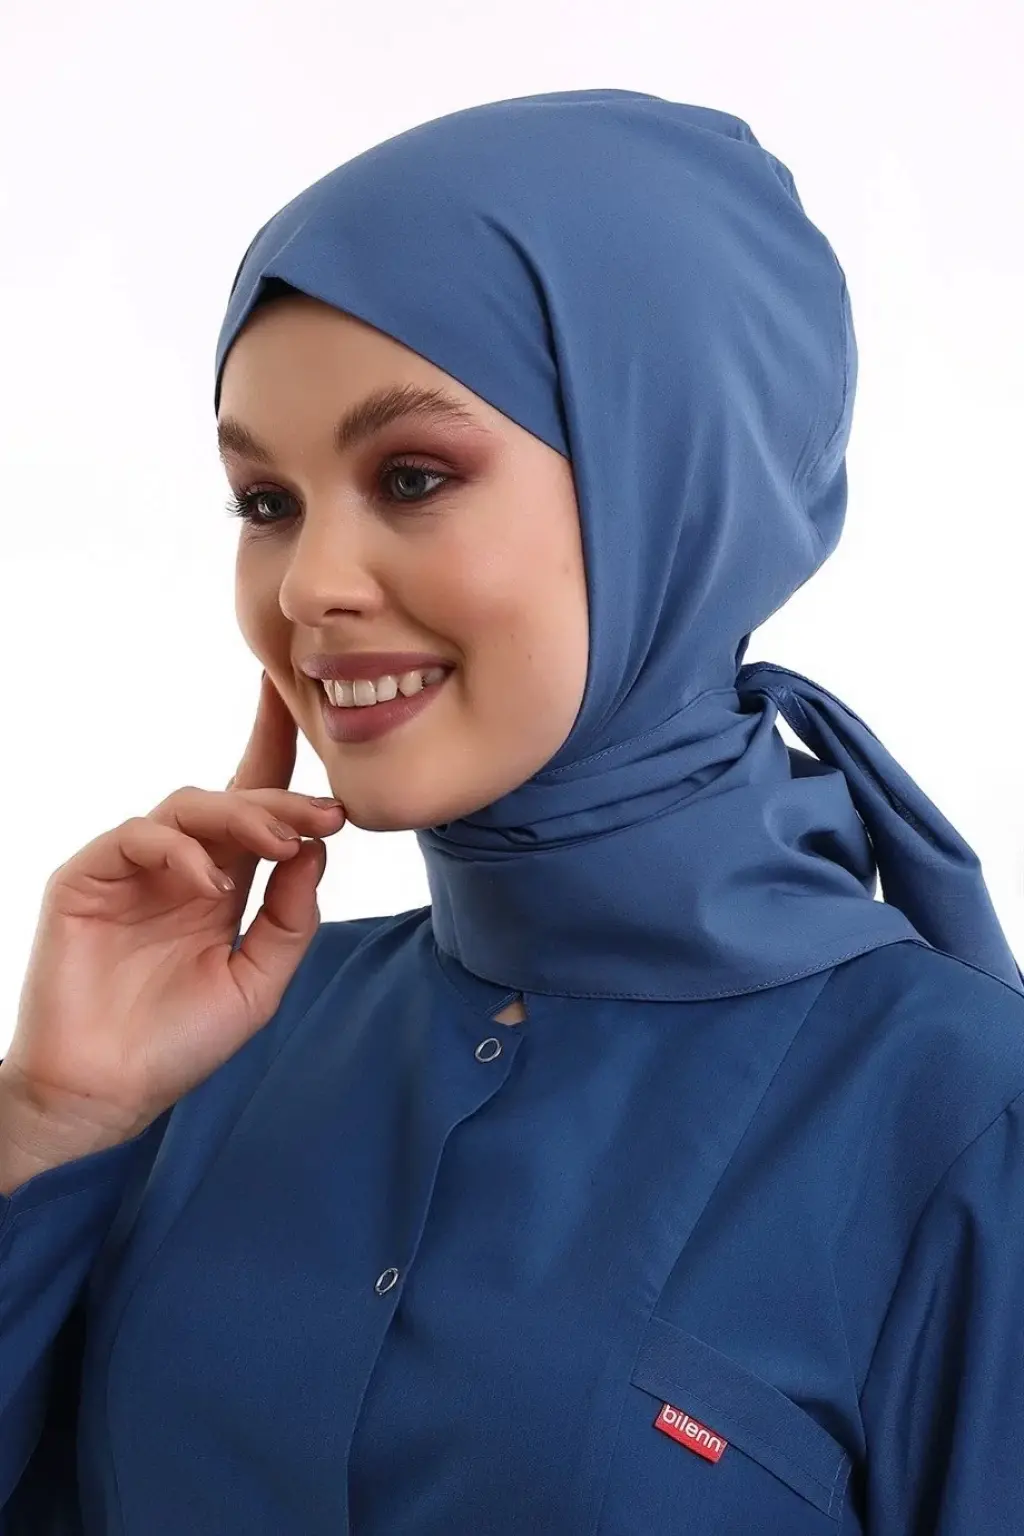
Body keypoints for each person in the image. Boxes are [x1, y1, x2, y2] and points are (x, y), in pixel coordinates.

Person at [1, 87, 1022, 1535]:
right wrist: (54, 1124)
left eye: (411, 477)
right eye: (266, 501)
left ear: (672, 483)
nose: (308, 588)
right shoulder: (219, 1042)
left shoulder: (958, 1111)